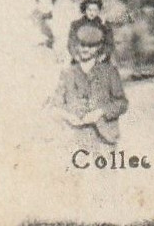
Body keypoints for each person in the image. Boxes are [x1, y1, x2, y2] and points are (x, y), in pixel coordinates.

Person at [55, 23, 128, 154]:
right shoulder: (67, 73)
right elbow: (56, 104)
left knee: (105, 173)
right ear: (77, 46)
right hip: (75, 137)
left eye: (90, 46)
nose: (85, 49)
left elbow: (122, 103)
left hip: (104, 138)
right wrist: (68, 116)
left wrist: (100, 112)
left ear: (99, 47)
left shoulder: (109, 71)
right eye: (82, 44)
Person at [67, 0, 115, 64]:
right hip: (80, 58)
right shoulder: (76, 25)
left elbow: (109, 44)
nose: (92, 13)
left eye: (95, 10)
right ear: (85, 10)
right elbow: (71, 43)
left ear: (99, 10)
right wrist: (76, 55)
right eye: (89, 10)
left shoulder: (104, 26)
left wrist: (103, 55)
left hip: (99, 59)